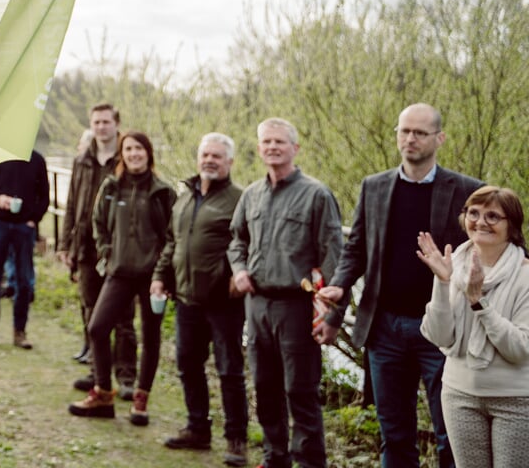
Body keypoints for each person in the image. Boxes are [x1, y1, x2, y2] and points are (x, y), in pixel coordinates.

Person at [318, 104, 482, 468]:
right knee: (393, 432)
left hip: (443, 332)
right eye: (404, 131)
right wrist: (339, 288)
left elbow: (492, 251)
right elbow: (356, 248)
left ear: (439, 138)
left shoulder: (469, 191)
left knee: (450, 434)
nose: (410, 139)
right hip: (385, 329)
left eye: (420, 133)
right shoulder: (374, 186)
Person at [228, 118, 343, 468]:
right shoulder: (251, 195)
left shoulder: (316, 194)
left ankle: (308, 461)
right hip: (258, 304)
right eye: (266, 142)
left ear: (295, 148)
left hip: (296, 307)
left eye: (280, 141)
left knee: (300, 391)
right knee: (264, 386)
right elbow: (237, 240)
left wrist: (332, 315)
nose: (272, 147)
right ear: (259, 148)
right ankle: (274, 456)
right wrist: (239, 270)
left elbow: (334, 256)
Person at [153, 133, 250, 466]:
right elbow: (172, 242)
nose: (210, 160)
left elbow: (249, 244)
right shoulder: (185, 196)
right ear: (198, 158)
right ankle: (197, 429)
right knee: (188, 365)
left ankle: (236, 439)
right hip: (186, 299)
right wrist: (159, 277)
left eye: (217, 156)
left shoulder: (239, 200)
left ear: (229, 163)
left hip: (223, 303)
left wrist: (237, 278)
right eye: (205, 154)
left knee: (229, 370)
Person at [69, 130, 176, 424]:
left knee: (150, 337)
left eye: (139, 149)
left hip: (153, 278)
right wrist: (107, 252)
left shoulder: (163, 192)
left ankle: (140, 400)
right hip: (119, 272)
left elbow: (172, 237)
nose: (133, 154)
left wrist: (162, 273)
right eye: (128, 149)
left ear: (149, 153)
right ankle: (103, 394)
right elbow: (97, 222)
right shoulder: (111, 186)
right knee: (98, 328)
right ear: (122, 154)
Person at [419, 186, 529, 468]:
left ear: (512, 227)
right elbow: (439, 336)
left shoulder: (525, 275)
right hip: (459, 395)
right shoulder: (452, 264)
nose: (480, 222)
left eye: (493, 216)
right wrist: (443, 284)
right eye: (474, 213)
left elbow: (520, 349)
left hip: (515, 401)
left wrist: (479, 302)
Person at [58, 105, 138, 389]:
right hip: (86, 247)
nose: (101, 127)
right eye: (96, 122)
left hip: (119, 250)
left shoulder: (127, 157)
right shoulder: (82, 159)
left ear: (117, 124)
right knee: (90, 310)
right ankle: (97, 373)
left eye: (106, 122)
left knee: (124, 316)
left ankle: (126, 375)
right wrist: (64, 243)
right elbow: (71, 203)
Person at [0, 149, 50, 349]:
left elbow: (44, 198)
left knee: (23, 281)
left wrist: (33, 219)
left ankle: (20, 331)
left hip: (23, 228)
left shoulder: (37, 160)